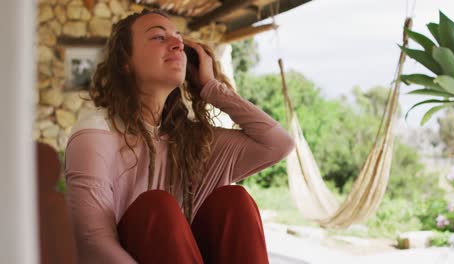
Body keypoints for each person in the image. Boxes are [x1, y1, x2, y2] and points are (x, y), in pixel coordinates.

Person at [64, 8, 295, 264]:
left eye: (180, 40)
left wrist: (211, 88)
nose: (177, 45)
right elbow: (92, 242)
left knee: (234, 200)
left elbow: (278, 144)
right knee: (156, 207)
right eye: (158, 38)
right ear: (124, 62)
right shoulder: (97, 130)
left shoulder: (192, 137)